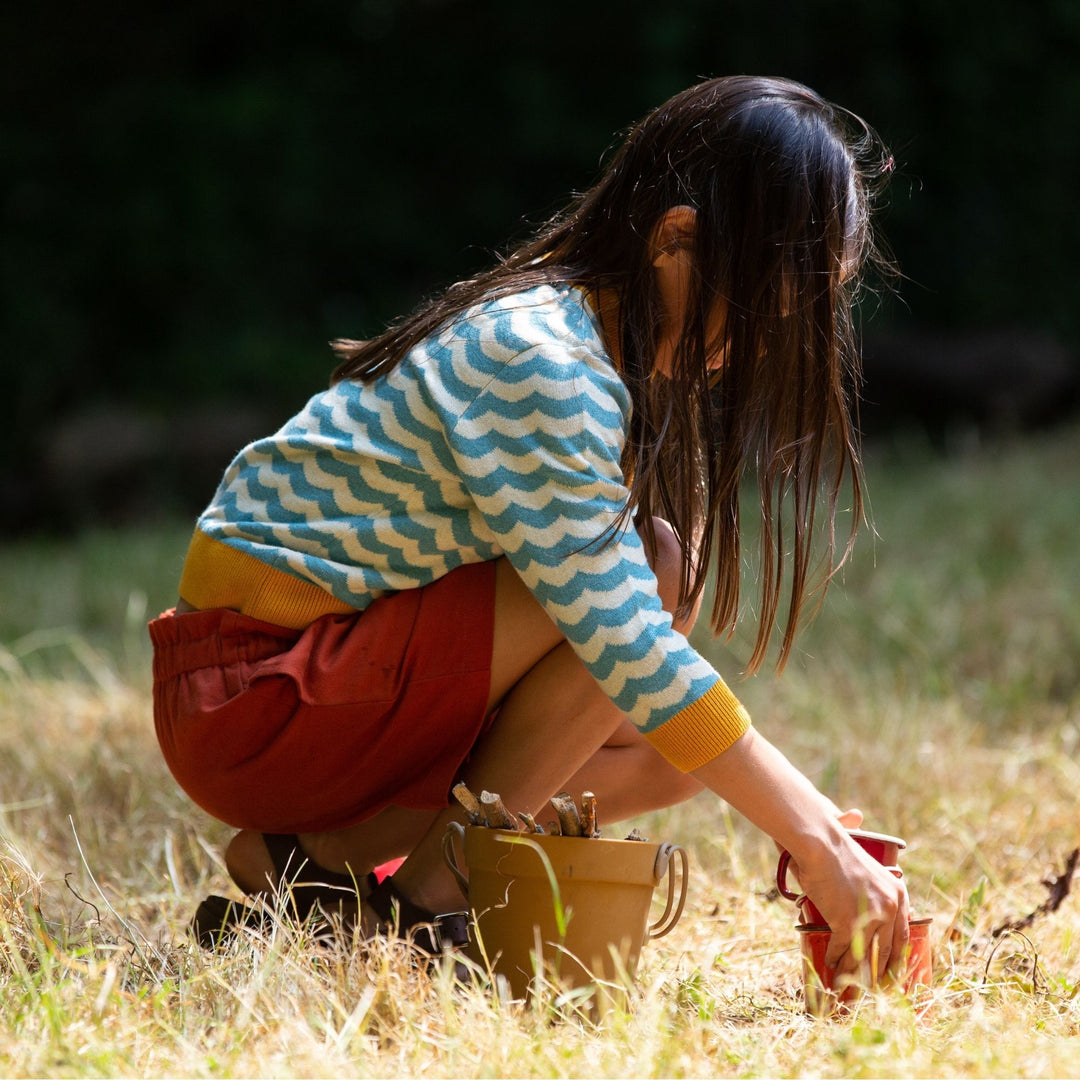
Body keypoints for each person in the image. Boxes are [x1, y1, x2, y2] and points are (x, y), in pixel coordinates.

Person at [150, 74, 909, 978]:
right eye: (756, 313)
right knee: (652, 576)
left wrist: (798, 817)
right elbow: (628, 644)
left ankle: (313, 867)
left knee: (669, 759)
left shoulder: (580, 345)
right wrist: (815, 838)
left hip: (316, 687)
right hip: (252, 696)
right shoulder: (541, 365)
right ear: (677, 241)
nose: (749, 346)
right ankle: (425, 909)